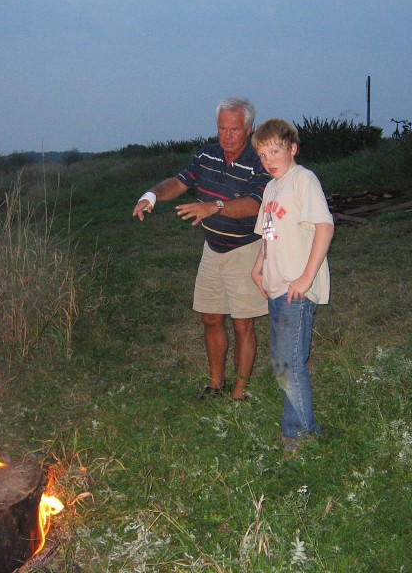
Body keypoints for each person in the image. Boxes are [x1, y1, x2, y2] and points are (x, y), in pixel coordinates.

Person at [132, 97, 270, 400]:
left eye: (234, 129)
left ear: (249, 128)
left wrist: (213, 206)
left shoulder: (259, 160)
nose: (227, 136)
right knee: (210, 317)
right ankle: (215, 384)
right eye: (222, 128)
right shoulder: (207, 155)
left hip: (245, 250)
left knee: (243, 323)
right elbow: (179, 182)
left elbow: (254, 205)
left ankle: (240, 391)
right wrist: (152, 195)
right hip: (212, 248)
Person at [250, 118, 334, 458]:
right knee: (283, 361)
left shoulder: (303, 180)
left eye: (275, 151)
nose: (268, 160)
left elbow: (325, 228)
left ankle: (301, 435)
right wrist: (258, 266)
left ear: (292, 148)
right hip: (275, 288)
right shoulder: (271, 188)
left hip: (295, 290)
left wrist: (305, 278)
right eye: (262, 155)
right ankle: (298, 427)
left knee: (289, 363)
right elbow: (268, 233)